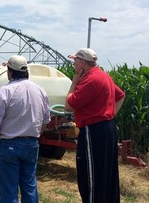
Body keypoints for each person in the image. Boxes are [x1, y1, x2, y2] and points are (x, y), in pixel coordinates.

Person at [65, 48, 125, 203]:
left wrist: (74, 82)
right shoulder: (103, 76)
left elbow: (69, 105)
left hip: (93, 131)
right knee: (106, 173)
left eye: (75, 60)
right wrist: (109, 114)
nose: (73, 63)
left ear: (83, 63)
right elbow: (120, 96)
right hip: (106, 128)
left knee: (90, 176)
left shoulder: (90, 80)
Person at [0, 55, 50, 203]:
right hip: (32, 145)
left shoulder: (6, 91)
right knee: (29, 187)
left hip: (9, 145)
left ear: (10, 72)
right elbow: (46, 121)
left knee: (8, 191)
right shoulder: (41, 91)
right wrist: (34, 136)